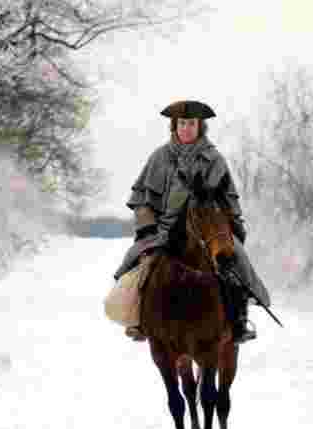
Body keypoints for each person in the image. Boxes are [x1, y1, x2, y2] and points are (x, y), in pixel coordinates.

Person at [113, 100, 271, 344]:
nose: (186, 128)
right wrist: (148, 228)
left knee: (237, 260)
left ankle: (238, 322)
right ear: (175, 126)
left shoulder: (215, 160)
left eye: (191, 124)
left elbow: (228, 200)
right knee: (133, 261)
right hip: (162, 230)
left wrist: (230, 230)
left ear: (200, 126)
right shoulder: (159, 157)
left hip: (208, 231)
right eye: (182, 124)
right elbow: (141, 199)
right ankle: (139, 319)